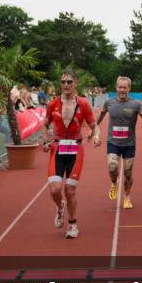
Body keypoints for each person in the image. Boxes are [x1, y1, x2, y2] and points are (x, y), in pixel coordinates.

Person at [42, 71, 101, 239]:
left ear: (76, 83)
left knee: (70, 190)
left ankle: (72, 223)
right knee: (55, 189)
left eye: (69, 82)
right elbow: (44, 124)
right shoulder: (53, 104)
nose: (66, 85)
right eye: (63, 82)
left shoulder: (83, 104)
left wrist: (96, 136)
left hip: (76, 149)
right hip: (57, 149)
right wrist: (45, 142)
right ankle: (60, 206)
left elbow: (94, 126)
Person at [96, 77, 142, 209]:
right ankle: (114, 183)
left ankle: (127, 197)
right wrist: (94, 128)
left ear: (129, 88)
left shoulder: (136, 104)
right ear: (116, 88)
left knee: (128, 173)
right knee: (112, 167)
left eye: (124, 87)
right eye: (120, 87)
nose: (122, 90)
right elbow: (101, 114)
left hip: (129, 144)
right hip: (113, 142)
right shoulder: (109, 103)